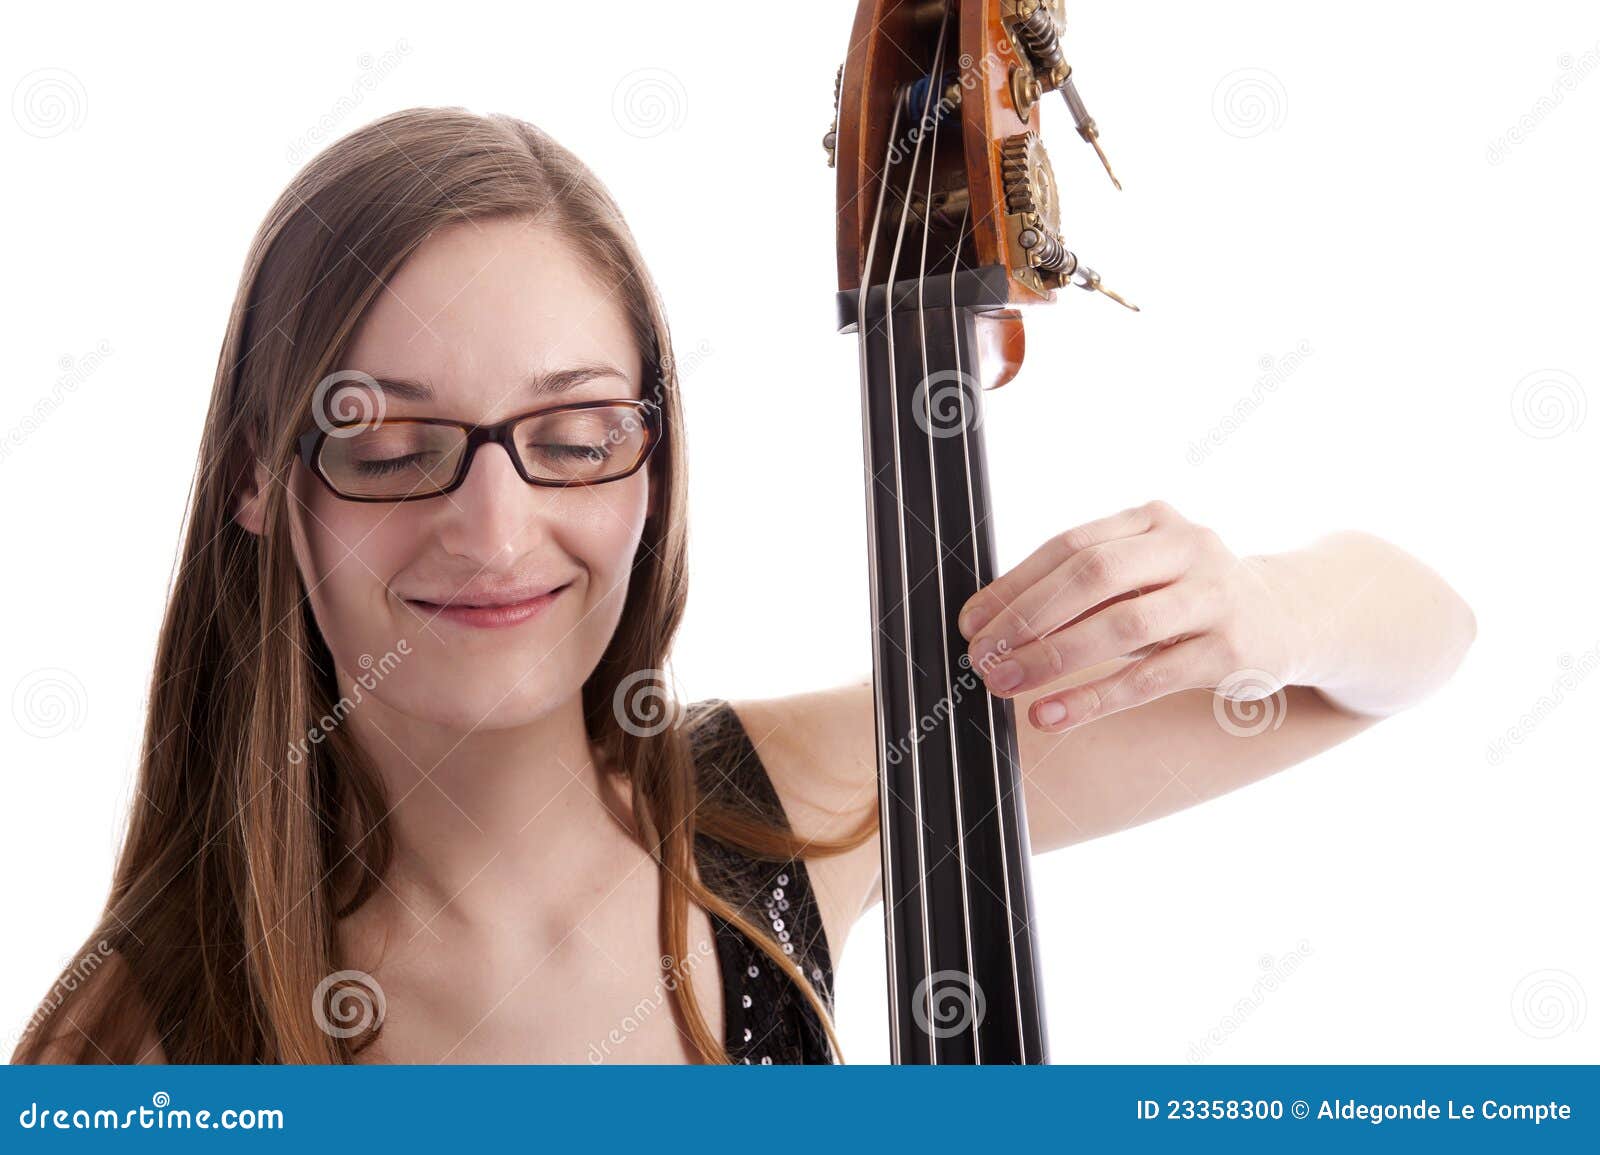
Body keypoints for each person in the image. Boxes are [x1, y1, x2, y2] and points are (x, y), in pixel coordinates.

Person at [12, 106, 1476, 1065]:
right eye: (391, 447)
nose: (496, 526)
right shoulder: (142, 1033)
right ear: (262, 480)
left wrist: (1265, 607)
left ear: (654, 457)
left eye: (578, 436)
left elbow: (1416, 637)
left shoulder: (790, 805)